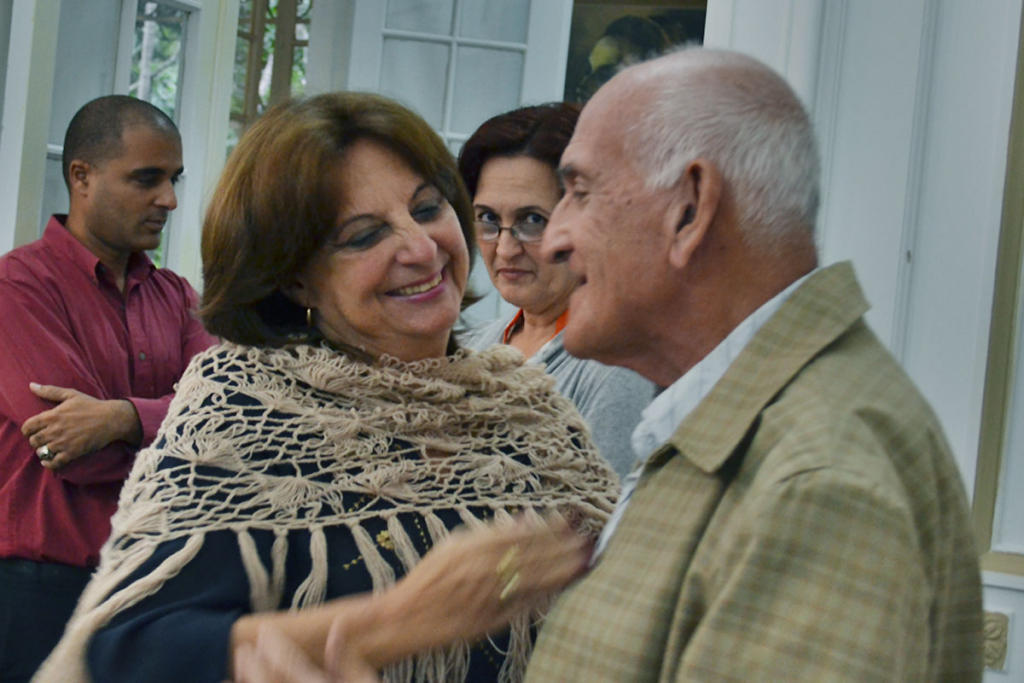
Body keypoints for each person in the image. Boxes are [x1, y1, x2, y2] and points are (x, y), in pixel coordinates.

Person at [35, 92, 618, 682]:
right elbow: (125, 651)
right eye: (364, 237)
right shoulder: (247, 410)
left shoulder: (526, 404)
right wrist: (391, 623)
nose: (420, 249)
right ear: (294, 279)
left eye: (426, 208)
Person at [522, 47, 984, 680]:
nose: (553, 238)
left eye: (579, 192)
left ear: (690, 208)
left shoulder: (818, 485)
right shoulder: (746, 428)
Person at [0, 95, 216, 681]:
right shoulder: (17, 285)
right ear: (81, 177)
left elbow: (227, 423)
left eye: (173, 179)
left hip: (151, 584)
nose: (168, 199)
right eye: (147, 179)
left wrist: (120, 418)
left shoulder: (177, 297)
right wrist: (179, 439)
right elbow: (72, 455)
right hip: (39, 591)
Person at [458, 103, 655, 478]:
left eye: (532, 220)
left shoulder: (617, 367)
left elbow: (599, 523)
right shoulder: (471, 346)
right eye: (488, 219)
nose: (504, 249)